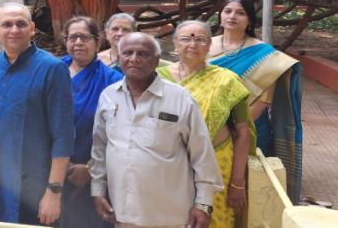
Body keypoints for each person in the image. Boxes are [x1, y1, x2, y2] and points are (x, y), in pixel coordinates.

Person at [90, 32, 222, 228]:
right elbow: (100, 148)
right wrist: (97, 191)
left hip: (171, 215)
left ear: (157, 60)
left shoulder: (180, 98)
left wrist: (203, 205)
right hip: (122, 213)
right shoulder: (108, 96)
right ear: (118, 57)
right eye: (127, 53)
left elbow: (202, 154)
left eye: (143, 54)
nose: (134, 59)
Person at [0, 3, 74, 225]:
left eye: (21, 24)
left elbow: (63, 137)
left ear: (32, 28)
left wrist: (54, 192)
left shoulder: (52, 68)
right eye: (7, 24)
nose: (14, 30)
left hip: (34, 185)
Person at [158, 21, 254, 228]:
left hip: (216, 165)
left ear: (210, 45)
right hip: (167, 164)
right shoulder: (157, 80)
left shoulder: (226, 81)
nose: (193, 44)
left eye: (200, 39)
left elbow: (243, 132)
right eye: (186, 38)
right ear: (175, 44)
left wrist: (238, 182)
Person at [208, 0, 302, 202]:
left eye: (240, 13)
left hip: (249, 129)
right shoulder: (203, 45)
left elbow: (263, 101)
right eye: (228, 11)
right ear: (220, 15)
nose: (232, 16)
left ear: (249, 20)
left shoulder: (265, 54)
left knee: (248, 190)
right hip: (206, 128)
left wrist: (233, 127)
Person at [59, 16, 122, 228]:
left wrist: (88, 167)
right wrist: (61, 163)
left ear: (97, 41)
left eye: (84, 37)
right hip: (51, 168)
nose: (78, 42)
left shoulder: (112, 80)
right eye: (73, 37)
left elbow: (118, 132)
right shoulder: (52, 71)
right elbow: (36, 121)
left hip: (94, 173)